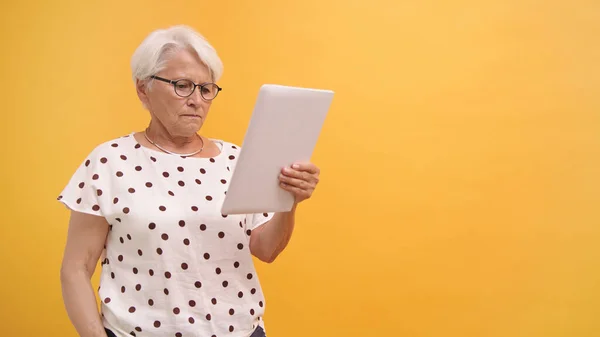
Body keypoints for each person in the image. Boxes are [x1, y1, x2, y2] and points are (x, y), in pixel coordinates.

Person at [58, 25, 321, 337]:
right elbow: (76, 268)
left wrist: (288, 203)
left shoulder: (236, 160)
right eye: (182, 85)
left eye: (206, 89)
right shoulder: (110, 161)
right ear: (143, 88)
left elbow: (266, 249)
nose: (197, 100)